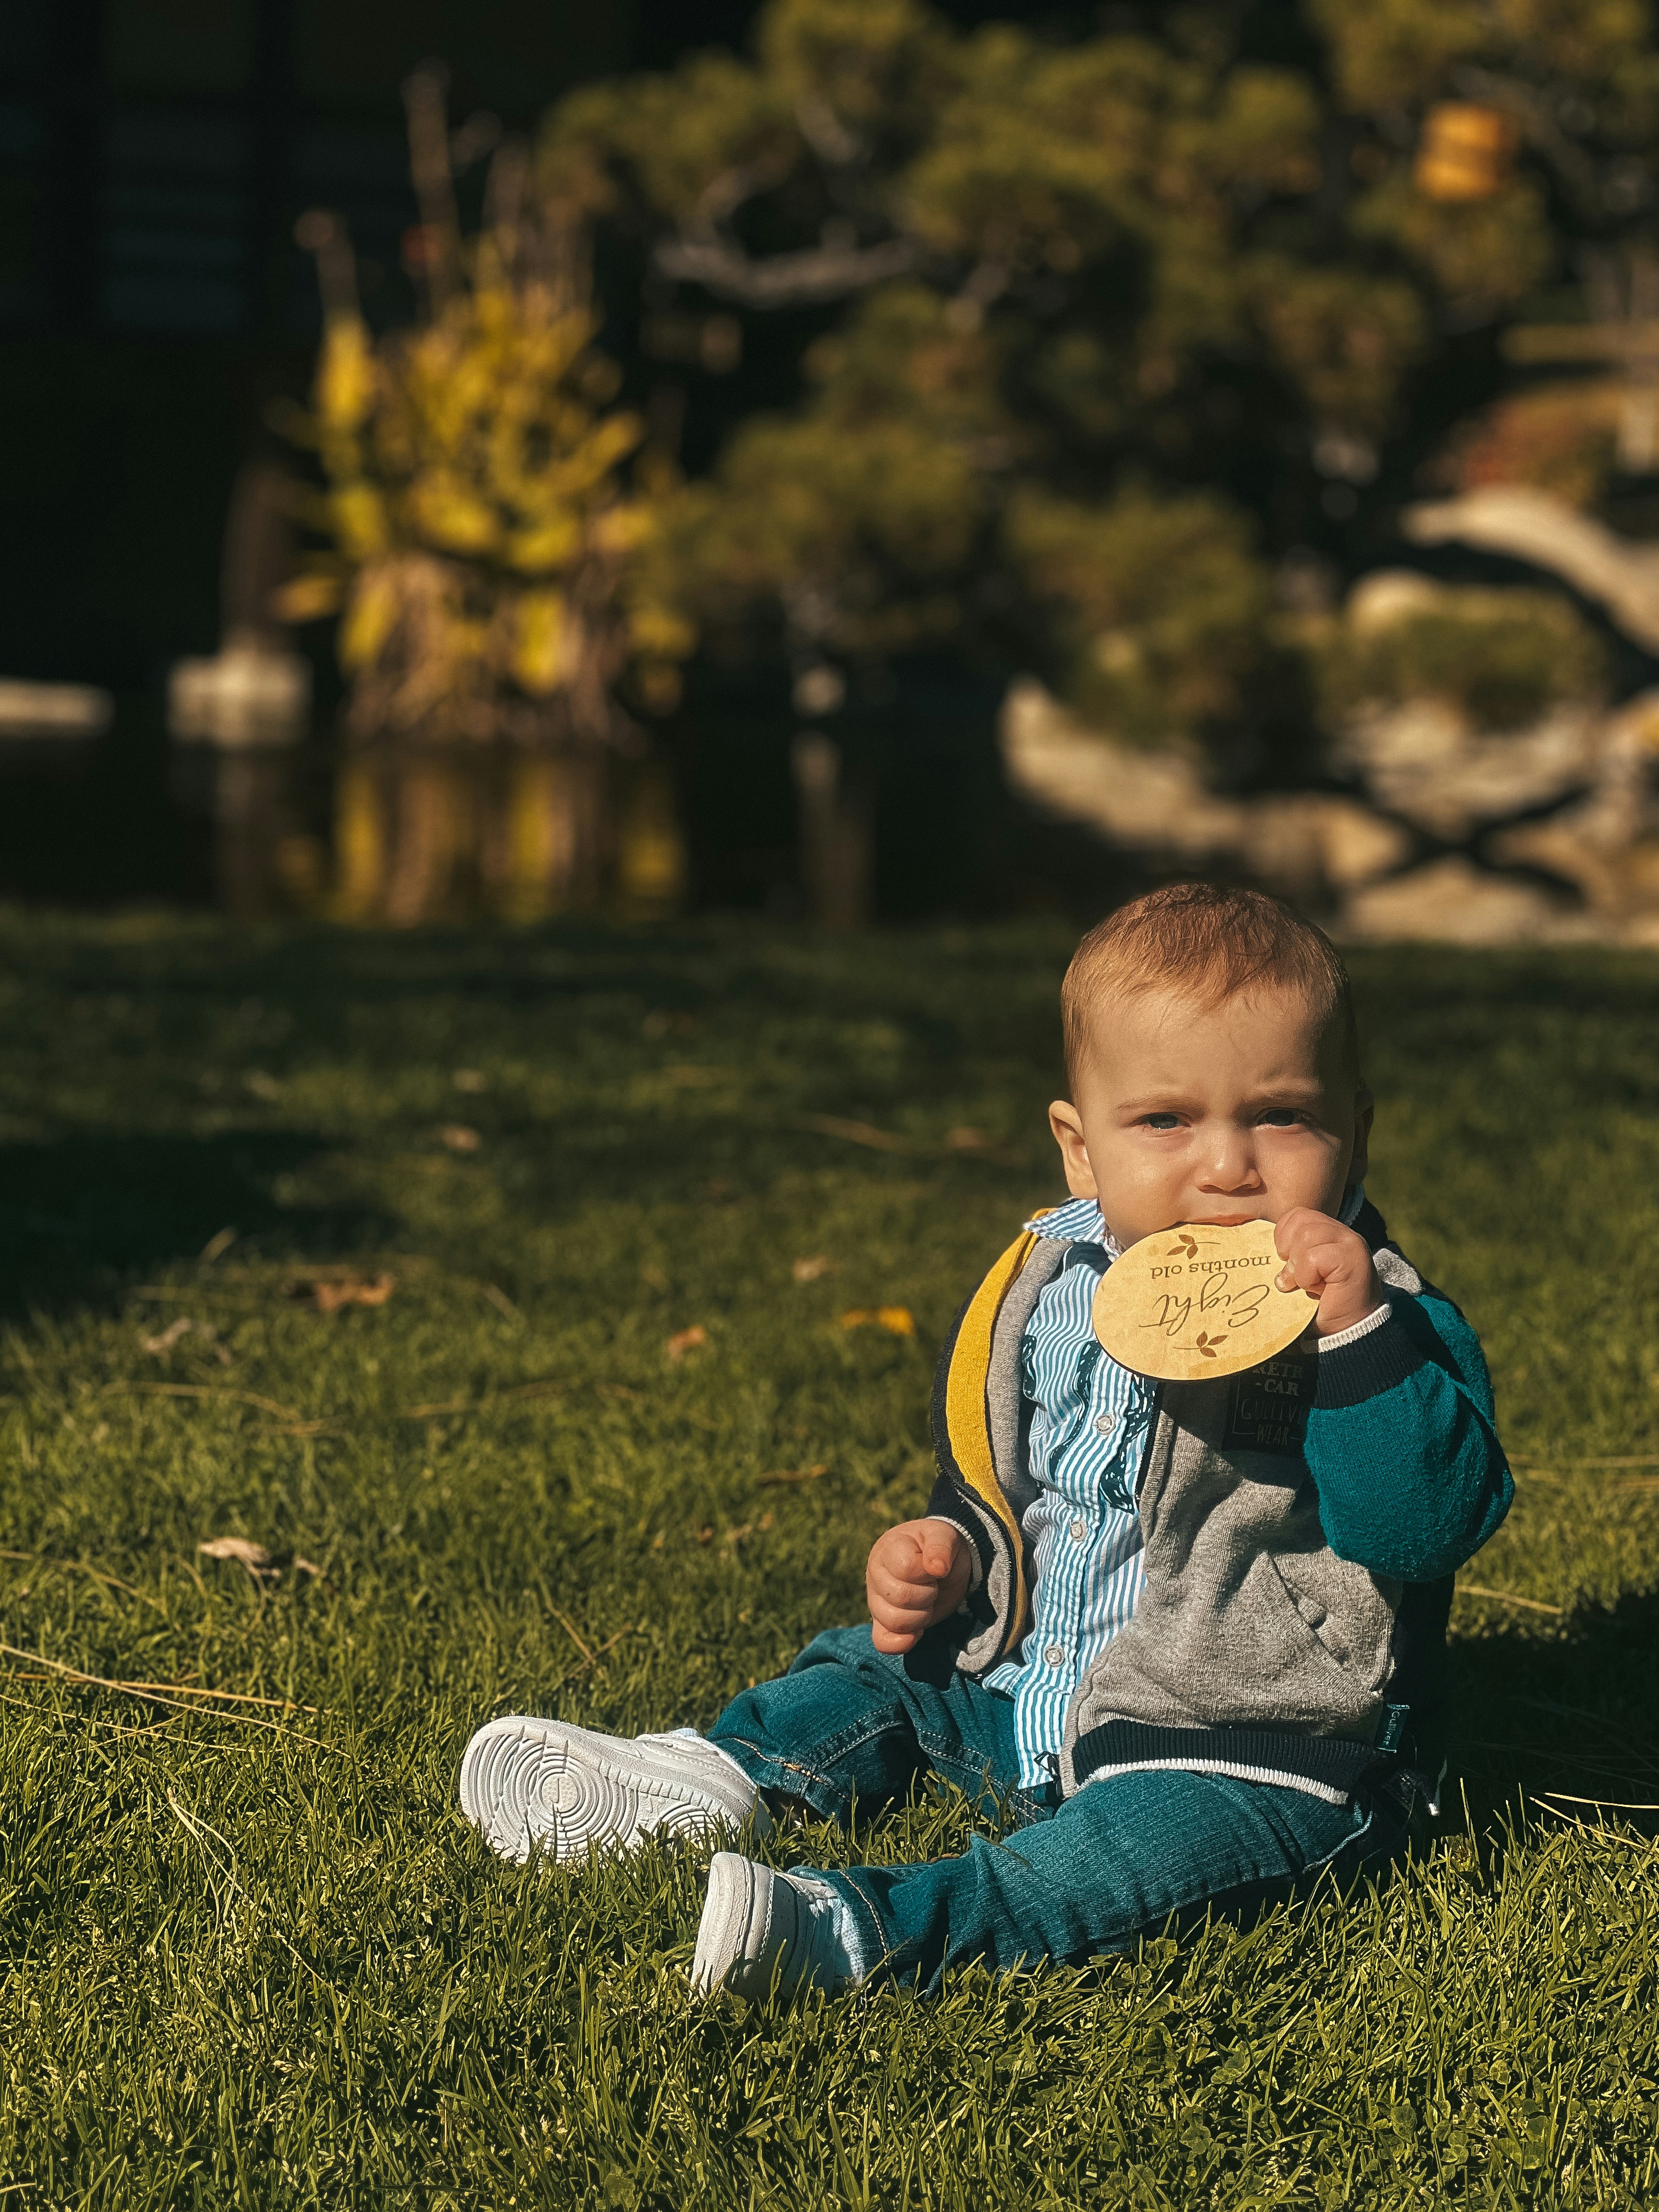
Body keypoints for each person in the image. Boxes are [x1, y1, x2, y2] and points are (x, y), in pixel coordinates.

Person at [459, 884, 1513, 1998]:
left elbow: (1424, 1524)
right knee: (876, 1669)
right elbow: (1018, 1481)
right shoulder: (1049, 1282)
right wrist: (954, 1548)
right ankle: (718, 1772)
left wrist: (1353, 1339)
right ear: (1079, 1146)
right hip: (1021, 1684)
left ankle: (867, 1932)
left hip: (1247, 1738)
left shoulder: (1380, 1323)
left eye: (1282, 1117)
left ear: (1357, 1132)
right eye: (1165, 1121)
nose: (1227, 1166)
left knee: (1116, 1855)